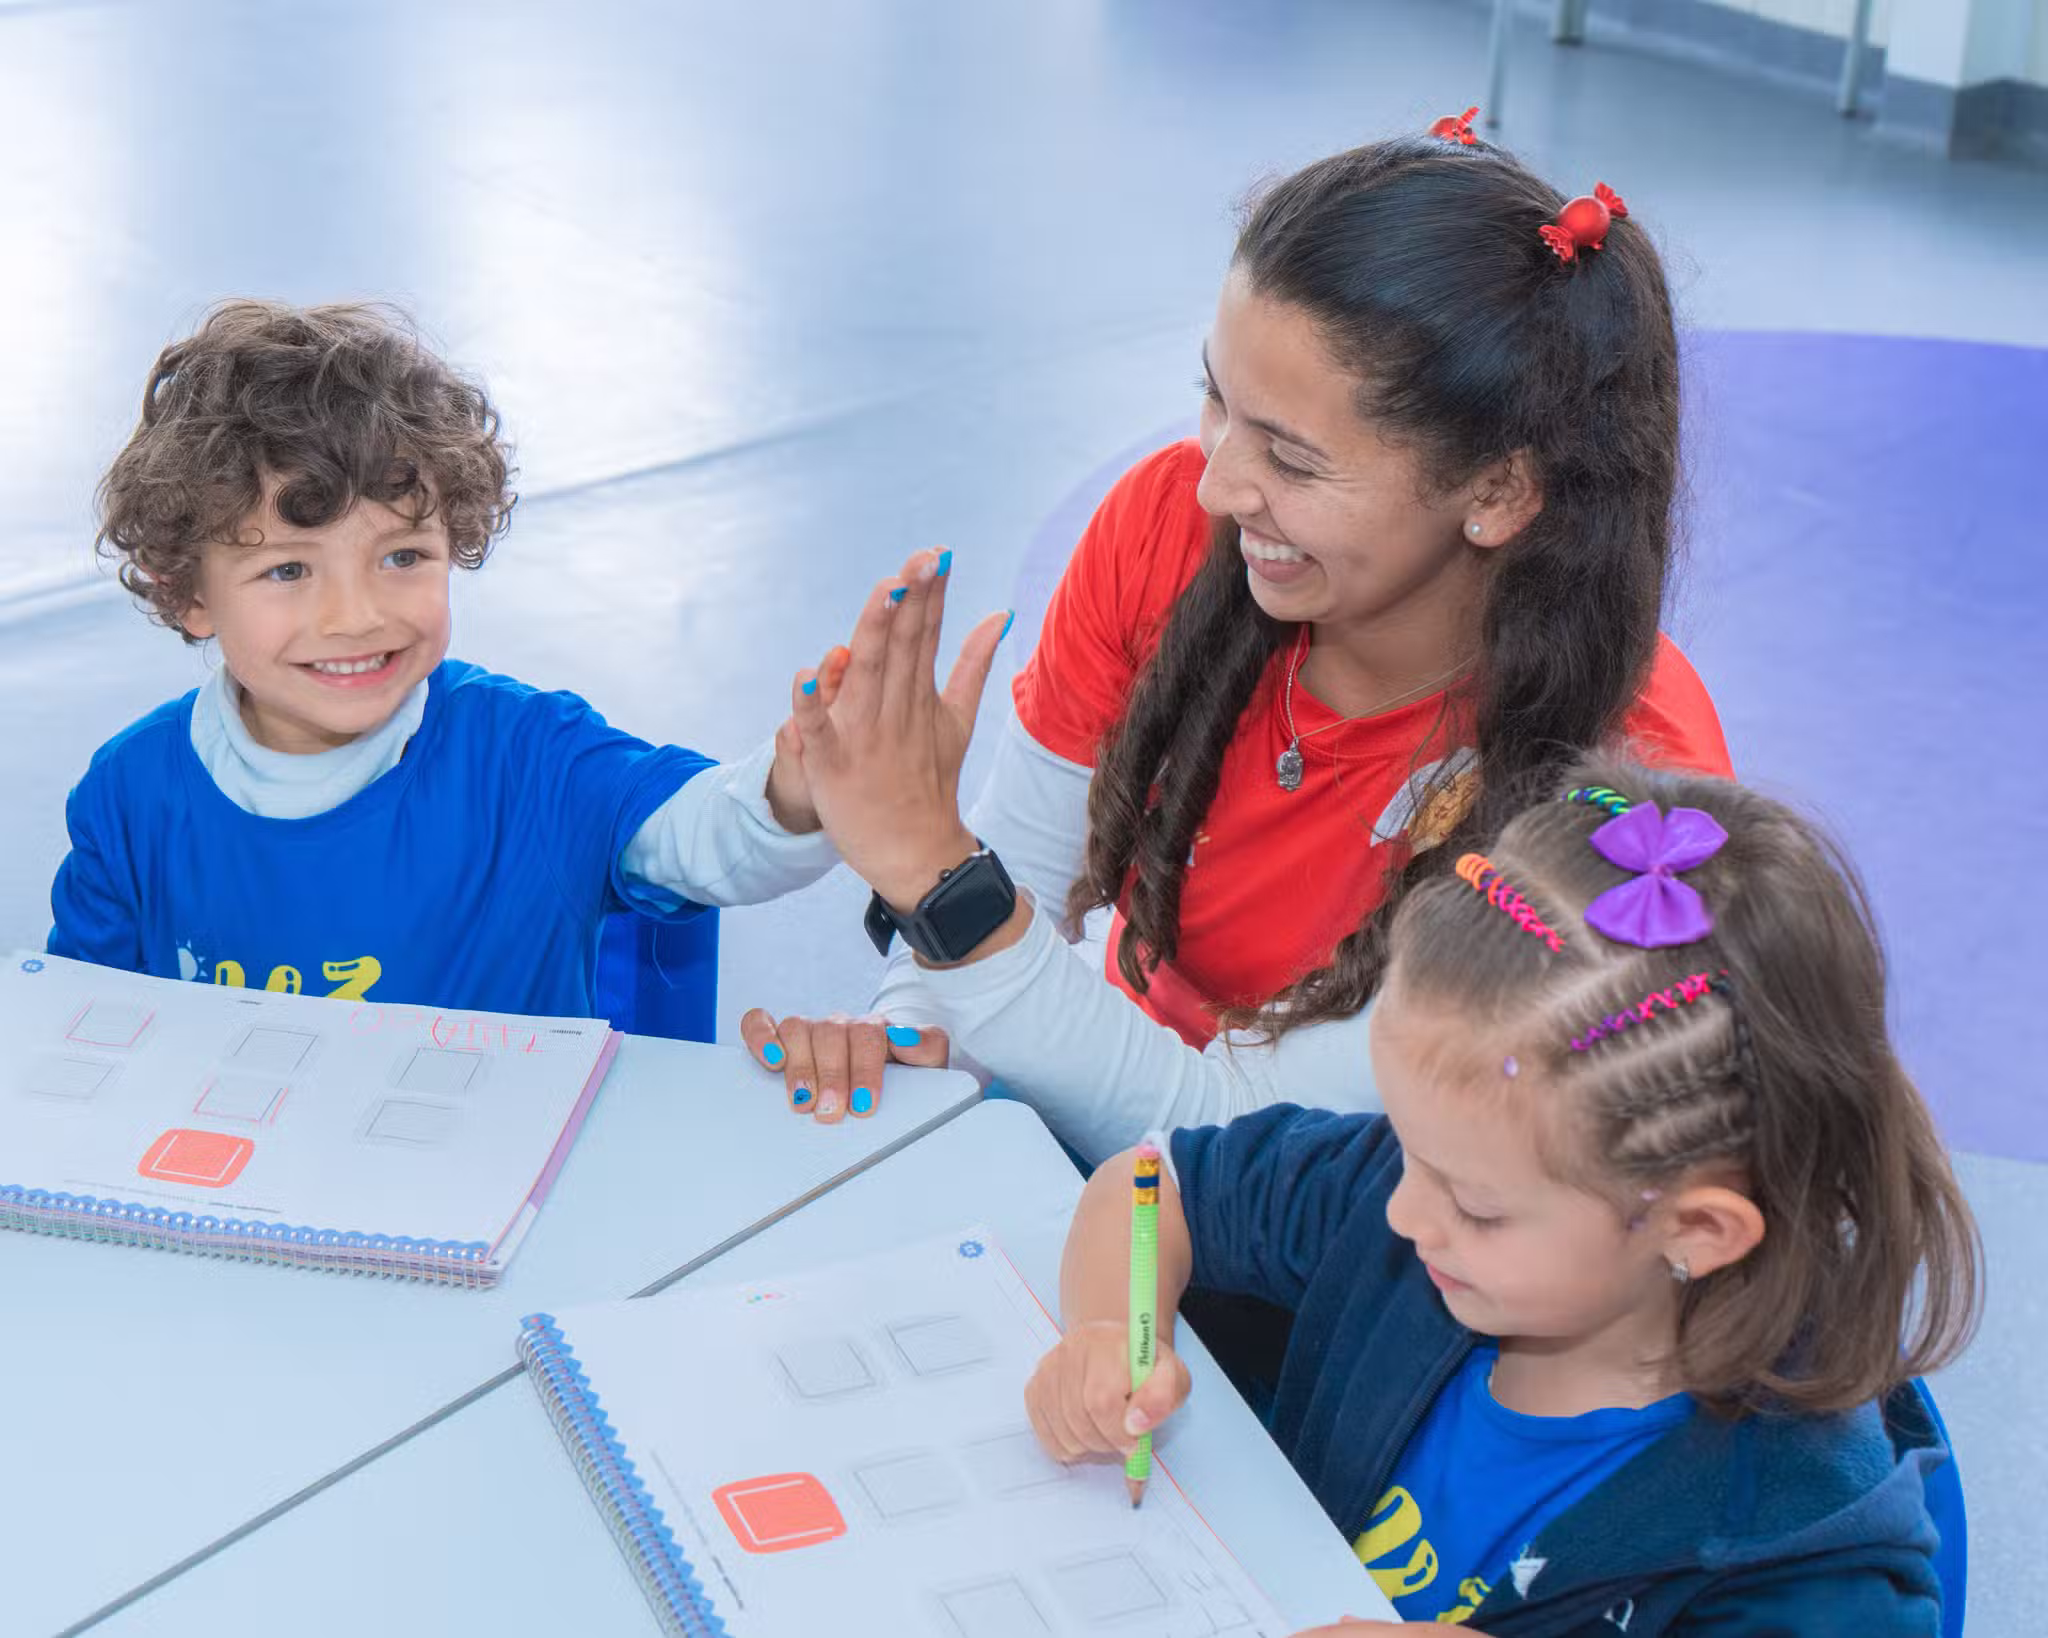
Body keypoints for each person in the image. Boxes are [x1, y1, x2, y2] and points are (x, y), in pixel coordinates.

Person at [749, 127, 1730, 1161]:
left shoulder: (1618, 807)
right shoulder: (1166, 526)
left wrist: (940, 883)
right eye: (1216, 398)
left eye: (1292, 460)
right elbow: (1023, 877)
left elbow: (1233, 1137)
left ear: (1495, 491)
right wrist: (909, 1042)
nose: (1216, 485)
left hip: (1360, 1208)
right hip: (1116, 1122)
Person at [1025, 760, 1980, 1635]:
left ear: (1694, 1228)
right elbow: (1153, 1187)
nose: (1403, 1213)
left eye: (1477, 1207)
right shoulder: (1418, 1199)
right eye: (1409, 1147)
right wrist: (1111, 1330)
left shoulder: (1804, 1554)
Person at [51, 299, 842, 1025]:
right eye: (288, 570)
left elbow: (703, 834)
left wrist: (800, 789)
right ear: (187, 592)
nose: (356, 616)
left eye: (402, 557)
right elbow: (81, 1035)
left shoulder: (528, 755)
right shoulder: (128, 796)